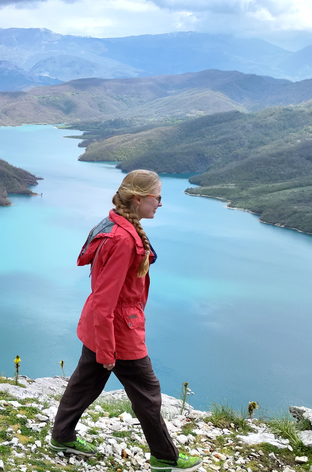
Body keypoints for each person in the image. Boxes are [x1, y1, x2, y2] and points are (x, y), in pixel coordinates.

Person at [50, 170, 201, 472]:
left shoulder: (118, 227)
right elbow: (108, 298)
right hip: (119, 331)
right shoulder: (123, 239)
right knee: (148, 392)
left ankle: (61, 436)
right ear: (138, 199)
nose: (160, 203)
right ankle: (165, 457)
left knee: (83, 384)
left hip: (101, 325)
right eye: (157, 198)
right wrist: (108, 349)